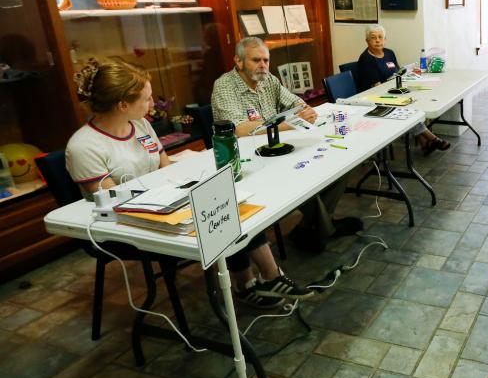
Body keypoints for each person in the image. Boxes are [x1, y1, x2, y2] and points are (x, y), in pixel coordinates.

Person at [66, 57, 311, 309]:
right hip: (129, 221)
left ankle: (261, 279)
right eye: (147, 99)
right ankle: (254, 281)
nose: (153, 104)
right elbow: (114, 203)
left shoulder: (138, 125)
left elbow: (164, 166)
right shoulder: (85, 147)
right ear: (123, 105)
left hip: (163, 201)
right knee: (218, 212)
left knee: (226, 201)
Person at [212, 36, 362, 252]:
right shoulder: (225, 86)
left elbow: (295, 102)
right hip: (247, 160)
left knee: (341, 161)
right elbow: (238, 129)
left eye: (266, 60)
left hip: (277, 148)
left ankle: (309, 227)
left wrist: (305, 111)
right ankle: (323, 228)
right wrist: (287, 125)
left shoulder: (268, 79)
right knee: (299, 176)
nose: (263, 65)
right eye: (256, 60)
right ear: (238, 61)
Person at [355, 24, 451, 154]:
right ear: (367, 41)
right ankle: (432, 139)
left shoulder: (389, 53)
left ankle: (425, 143)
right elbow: (376, 88)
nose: (377, 40)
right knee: (406, 108)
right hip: (374, 100)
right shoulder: (366, 59)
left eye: (380, 37)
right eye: (373, 38)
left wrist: (409, 75)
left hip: (393, 92)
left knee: (414, 102)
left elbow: (397, 73)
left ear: (385, 39)